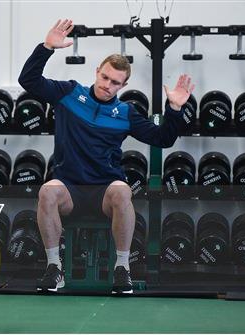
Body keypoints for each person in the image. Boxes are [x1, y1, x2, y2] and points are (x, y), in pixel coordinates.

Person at [18, 19, 194, 294]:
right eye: (105, 77)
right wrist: (46, 47)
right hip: (69, 187)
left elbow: (163, 139)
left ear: (123, 85)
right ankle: (54, 268)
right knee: (46, 192)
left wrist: (174, 108)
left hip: (104, 190)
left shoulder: (126, 113)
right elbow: (28, 80)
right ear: (97, 71)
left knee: (123, 192)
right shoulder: (68, 94)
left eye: (115, 82)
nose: (107, 85)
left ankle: (121, 268)